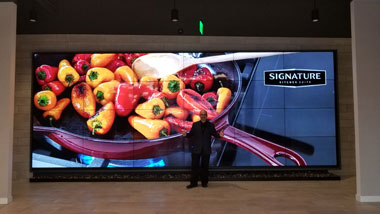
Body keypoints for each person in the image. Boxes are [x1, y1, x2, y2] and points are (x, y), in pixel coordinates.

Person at [182, 109, 224, 188]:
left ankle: (204, 183)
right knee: (194, 167)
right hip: (196, 149)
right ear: (200, 115)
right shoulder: (195, 125)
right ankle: (193, 183)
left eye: (204, 114)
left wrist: (220, 135)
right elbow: (190, 135)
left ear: (206, 116)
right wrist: (185, 134)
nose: (203, 116)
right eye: (201, 114)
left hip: (206, 149)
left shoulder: (211, 125)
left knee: (205, 167)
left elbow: (215, 135)